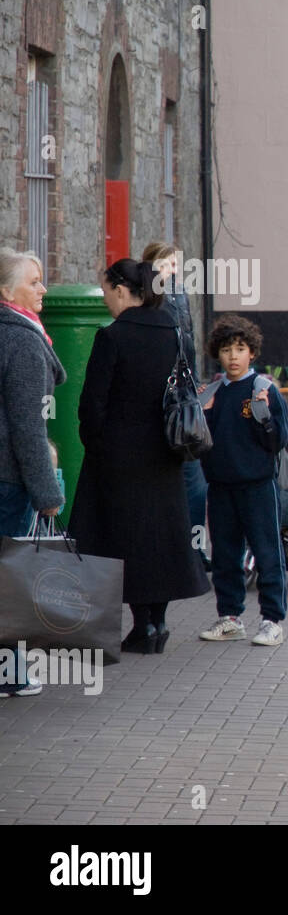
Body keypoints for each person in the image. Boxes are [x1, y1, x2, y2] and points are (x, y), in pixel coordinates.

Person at [67, 258, 211, 655]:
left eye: (106, 292)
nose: (106, 301)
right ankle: (158, 623)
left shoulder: (112, 337)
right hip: (166, 453)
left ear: (119, 289)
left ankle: (141, 625)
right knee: (161, 538)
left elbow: (92, 404)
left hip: (117, 458)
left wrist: (95, 442)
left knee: (124, 542)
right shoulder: (174, 331)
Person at [196, 315, 288, 647]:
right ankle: (231, 617)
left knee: (267, 553)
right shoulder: (211, 393)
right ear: (217, 355)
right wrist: (203, 413)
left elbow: (280, 439)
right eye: (226, 350)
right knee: (224, 554)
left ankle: (272, 620)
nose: (233, 356)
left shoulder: (263, 390)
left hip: (258, 486)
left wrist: (264, 418)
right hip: (221, 486)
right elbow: (199, 441)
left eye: (240, 349)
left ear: (252, 353)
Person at [0, 249, 65, 695]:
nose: (43, 289)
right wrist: (47, 492)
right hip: (9, 481)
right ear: (7, 291)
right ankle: (10, 673)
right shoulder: (22, 340)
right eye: (34, 282)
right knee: (10, 580)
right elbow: (27, 427)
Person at [141, 242, 208, 567]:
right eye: (166, 265)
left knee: (194, 480)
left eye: (175, 264)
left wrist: (193, 386)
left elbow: (188, 347)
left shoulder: (179, 295)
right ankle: (177, 552)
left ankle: (192, 551)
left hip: (183, 399)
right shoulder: (148, 301)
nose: (173, 271)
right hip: (162, 402)